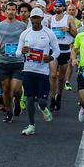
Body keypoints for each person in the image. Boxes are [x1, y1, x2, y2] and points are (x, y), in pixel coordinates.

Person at [15, 8, 60, 137]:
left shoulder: (49, 33)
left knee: (41, 101)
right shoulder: (25, 33)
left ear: (42, 19)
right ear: (30, 18)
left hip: (43, 72)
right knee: (29, 98)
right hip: (28, 69)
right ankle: (31, 125)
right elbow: (17, 52)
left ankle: (44, 108)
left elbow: (57, 51)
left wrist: (50, 58)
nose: (35, 20)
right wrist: (22, 52)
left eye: (37, 18)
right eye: (33, 17)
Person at [0, 3, 28, 122]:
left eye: (13, 9)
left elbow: (28, 39)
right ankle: (9, 111)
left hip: (18, 61)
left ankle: (17, 101)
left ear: (16, 11)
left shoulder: (23, 25)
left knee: (16, 89)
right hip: (3, 61)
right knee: (6, 89)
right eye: (9, 9)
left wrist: (25, 49)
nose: (11, 12)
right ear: (5, 11)